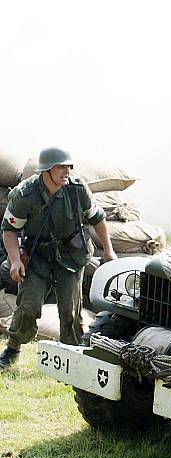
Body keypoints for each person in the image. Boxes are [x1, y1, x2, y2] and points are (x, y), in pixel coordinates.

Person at [0, 147, 117, 371]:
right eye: (60, 167)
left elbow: (97, 218)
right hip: (37, 256)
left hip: (71, 255)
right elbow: (9, 230)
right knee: (29, 306)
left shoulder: (77, 189)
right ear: (46, 170)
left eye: (68, 167)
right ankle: (12, 349)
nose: (66, 171)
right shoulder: (24, 194)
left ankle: (72, 356)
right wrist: (15, 260)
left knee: (70, 309)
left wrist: (109, 250)